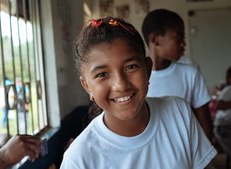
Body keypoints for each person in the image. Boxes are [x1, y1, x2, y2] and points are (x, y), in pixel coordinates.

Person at [60, 17, 217, 169]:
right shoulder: (79, 159)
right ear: (87, 86)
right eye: (102, 74)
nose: (120, 85)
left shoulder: (178, 113)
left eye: (131, 67)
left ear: (148, 69)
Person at [141, 9, 213, 140]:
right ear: (155, 39)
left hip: (186, 152)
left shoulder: (190, 73)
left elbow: (205, 125)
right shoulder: (138, 77)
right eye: (179, 37)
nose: (183, 43)